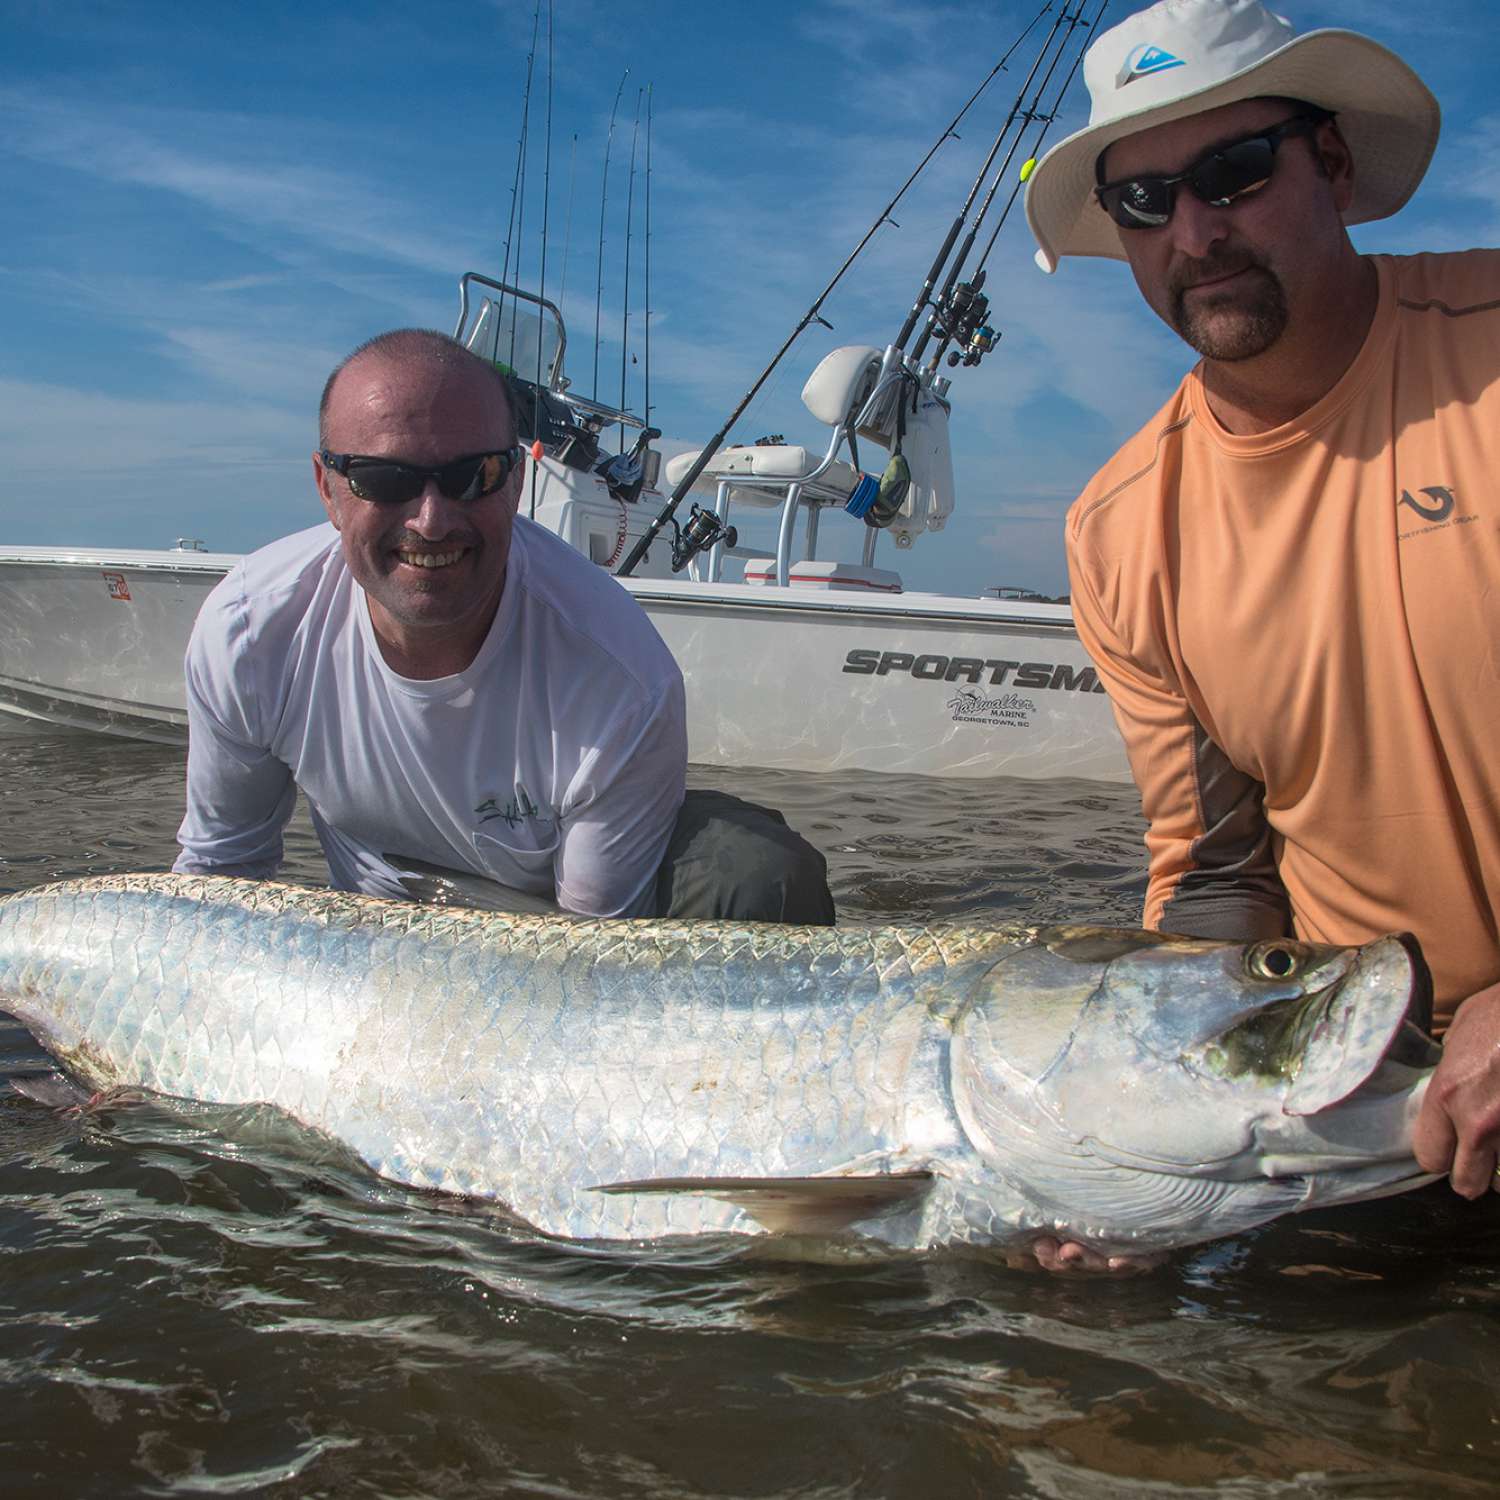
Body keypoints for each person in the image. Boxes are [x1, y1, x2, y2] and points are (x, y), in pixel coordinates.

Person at [1019, 0, 1499, 1268]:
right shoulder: (1121, 528)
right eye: (1145, 202)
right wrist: (1130, 1137)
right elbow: (1220, 872)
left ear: (1332, 164)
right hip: (1367, 1117)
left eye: (1235, 172)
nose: (1195, 232)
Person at [175, 327, 834, 926]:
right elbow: (218, 875)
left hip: (551, 940)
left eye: (473, 476)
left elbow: (589, 952)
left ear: (515, 484)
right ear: (327, 487)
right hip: (367, 942)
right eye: (384, 479)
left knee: (753, 872)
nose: (431, 521)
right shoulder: (250, 632)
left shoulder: (623, 678)